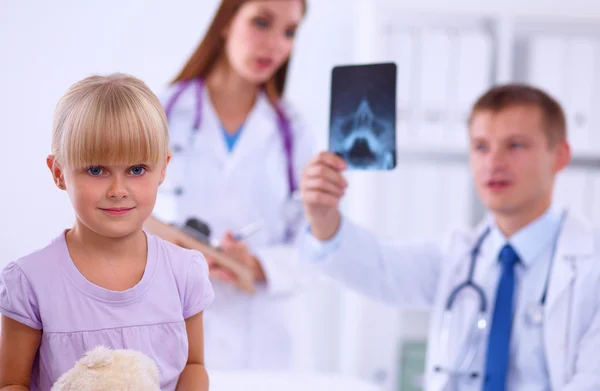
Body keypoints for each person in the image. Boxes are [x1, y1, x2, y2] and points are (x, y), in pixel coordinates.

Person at [298, 83, 600, 390]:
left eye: (516, 146)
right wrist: (323, 217)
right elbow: (379, 268)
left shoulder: (592, 266)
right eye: (481, 147)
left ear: (560, 156)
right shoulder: (458, 255)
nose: (493, 163)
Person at [0, 74, 214, 391]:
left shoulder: (184, 272)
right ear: (59, 172)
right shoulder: (30, 281)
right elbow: (12, 382)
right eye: (97, 170)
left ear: (163, 168)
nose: (117, 190)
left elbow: (194, 366)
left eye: (137, 169)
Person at [144, 0, 316, 371]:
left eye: (289, 32)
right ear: (226, 22)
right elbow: (120, 217)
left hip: (267, 344)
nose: (275, 44)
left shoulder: (294, 129)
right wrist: (178, 254)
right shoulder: (159, 111)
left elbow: (315, 241)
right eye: (261, 22)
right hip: (174, 327)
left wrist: (257, 265)